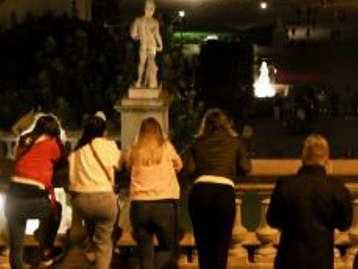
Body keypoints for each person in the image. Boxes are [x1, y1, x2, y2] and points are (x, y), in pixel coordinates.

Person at [266, 134, 351, 269]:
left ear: (303, 158)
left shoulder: (285, 185)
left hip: (289, 259)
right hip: (321, 261)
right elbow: (345, 224)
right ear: (327, 159)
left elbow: (272, 220)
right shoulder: (337, 188)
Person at [181, 109, 252, 269]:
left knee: (204, 246)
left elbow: (190, 169)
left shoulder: (197, 143)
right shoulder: (235, 142)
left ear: (205, 125)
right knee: (221, 247)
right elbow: (246, 167)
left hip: (201, 193)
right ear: (226, 125)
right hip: (224, 193)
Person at [7, 114, 66, 269]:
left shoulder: (24, 140)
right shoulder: (52, 143)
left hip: (12, 198)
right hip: (36, 199)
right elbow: (62, 161)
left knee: (16, 247)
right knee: (56, 209)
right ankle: (45, 249)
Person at [126, 117, 183, 269]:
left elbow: (126, 166)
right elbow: (179, 165)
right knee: (167, 248)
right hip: (163, 204)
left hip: (139, 205)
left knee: (145, 252)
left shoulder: (134, 150)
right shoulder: (166, 147)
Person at [68, 113, 122, 269]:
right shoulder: (109, 145)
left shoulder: (76, 152)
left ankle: (90, 249)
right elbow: (119, 164)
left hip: (82, 202)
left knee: (92, 231)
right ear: (104, 131)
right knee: (104, 242)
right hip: (104, 199)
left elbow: (72, 180)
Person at [131, 0, 163, 88]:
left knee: (149, 62)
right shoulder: (139, 20)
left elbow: (157, 35)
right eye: (149, 8)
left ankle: (145, 81)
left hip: (151, 45)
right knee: (143, 63)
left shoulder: (154, 22)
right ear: (145, 8)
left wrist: (160, 44)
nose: (150, 11)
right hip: (145, 45)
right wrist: (138, 36)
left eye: (152, 9)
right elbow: (133, 34)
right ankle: (141, 80)